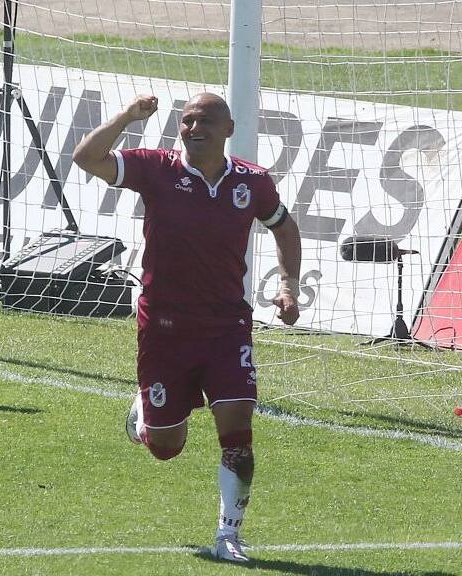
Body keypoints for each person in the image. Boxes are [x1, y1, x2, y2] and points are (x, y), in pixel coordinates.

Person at [72, 92, 301, 563]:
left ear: (229, 129)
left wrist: (289, 286)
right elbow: (86, 157)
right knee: (166, 448)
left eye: (205, 120)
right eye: (187, 120)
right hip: (165, 329)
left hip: (226, 326)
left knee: (238, 425)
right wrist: (127, 117)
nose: (194, 128)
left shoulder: (252, 182)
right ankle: (145, 419)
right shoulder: (157, 168)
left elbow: (283, 226)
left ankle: (229, 535)